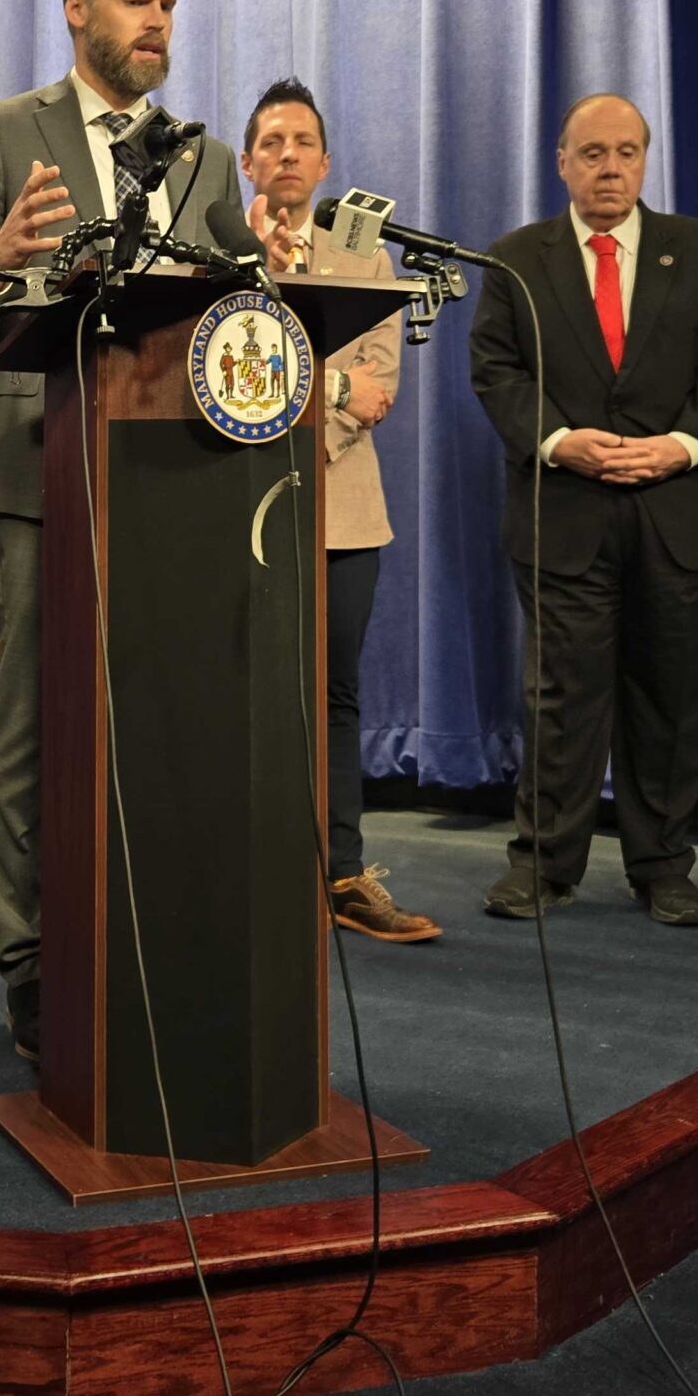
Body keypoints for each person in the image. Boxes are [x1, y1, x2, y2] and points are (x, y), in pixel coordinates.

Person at [0, 0, 289, 1061]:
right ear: (78, 10)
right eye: (135, 2)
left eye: (168, 4)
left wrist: (273, 277)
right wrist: (2, 259)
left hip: (176, 488)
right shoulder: (3, 131)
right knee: (30, 725)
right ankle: (30, 962)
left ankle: (150, 943)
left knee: (163, 726)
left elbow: (242, 301)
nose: (157, 23)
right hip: (44, 476)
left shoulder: (201, 157)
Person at [466, 94, 698, 926]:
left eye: (626, 152)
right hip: (563, 513)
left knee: (669, 698)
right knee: (560, 696)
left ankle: (663, 868)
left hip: (681, 511)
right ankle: (543, 866)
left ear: (644, 160)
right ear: (562, 162)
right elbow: (496, 370)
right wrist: (559, 440)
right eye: (592, 153)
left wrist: (684, 445)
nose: (610, 169)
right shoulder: (516, 259)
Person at [238, 78, 440, 942]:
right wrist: (325, 390)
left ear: (324, 162)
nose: (288, 154)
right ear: (247, 161)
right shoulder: (216, 254)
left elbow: (375, 393)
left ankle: (343, 873)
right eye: (272, 141)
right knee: (239, 690)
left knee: (336, 694)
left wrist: (289, 400)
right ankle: (245, 867)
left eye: (303, 141)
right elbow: (215, 386)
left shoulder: (367, 263)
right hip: (235, 513)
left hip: (345, 514)